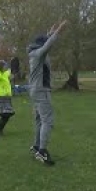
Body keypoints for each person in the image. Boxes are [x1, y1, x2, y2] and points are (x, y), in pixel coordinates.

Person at [27, 20, 67, 166]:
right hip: (41, 91)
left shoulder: (34, 53)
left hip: (35, 90)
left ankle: (37, 146)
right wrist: (58, 33)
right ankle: (42, 152)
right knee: (47, 121)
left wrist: (50, 33)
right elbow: (47, 45)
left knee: (39, 120)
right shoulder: (38, 54)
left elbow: (45, 42)